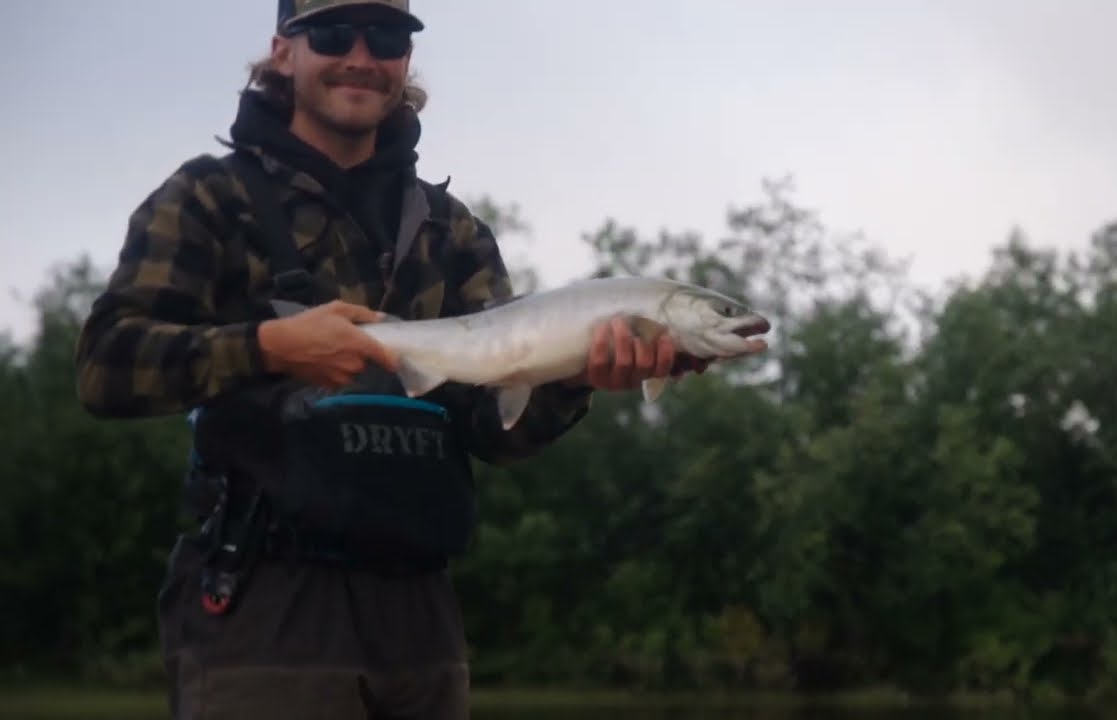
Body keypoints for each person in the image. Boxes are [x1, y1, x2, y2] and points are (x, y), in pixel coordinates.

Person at [72, 1, 718, 717]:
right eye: (331, 33)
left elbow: (494, 432)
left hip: (421, 609)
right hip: (264, 600)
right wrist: (268, 345)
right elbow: (106, 365)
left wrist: (572, 380)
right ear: (283, 51)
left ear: (406, 59)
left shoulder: (453, 231)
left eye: (384, 36)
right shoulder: (209, 198)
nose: (360, 55)